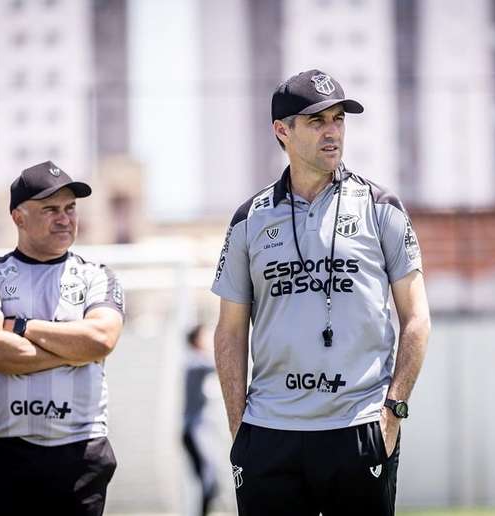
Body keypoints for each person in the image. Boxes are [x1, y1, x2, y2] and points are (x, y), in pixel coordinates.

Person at [211, 69, 431, 516]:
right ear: (282, 131)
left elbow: (417, 319)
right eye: (316, 122)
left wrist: (393, 413)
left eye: (338, 119)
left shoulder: (380, 207)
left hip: (360, 426)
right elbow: (229, 332)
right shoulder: (248, 220)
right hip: (269, 433)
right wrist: (239, 427)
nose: (332, 132)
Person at [0, 161, 125, 516]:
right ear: (18, 217)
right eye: (50, 209)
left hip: (80, 454)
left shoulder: (97, 276)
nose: (64, 218)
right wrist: (75, 349)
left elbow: (101, 339)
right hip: (3, 455)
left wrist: (20, 327)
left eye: (70, 208)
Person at [182, 324, 219, 516]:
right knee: (208, 479)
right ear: (196, 340)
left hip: (199, 429)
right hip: (194, 430)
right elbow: (221, 361)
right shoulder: (195, 362)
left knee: (211, 482)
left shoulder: (196, 362)